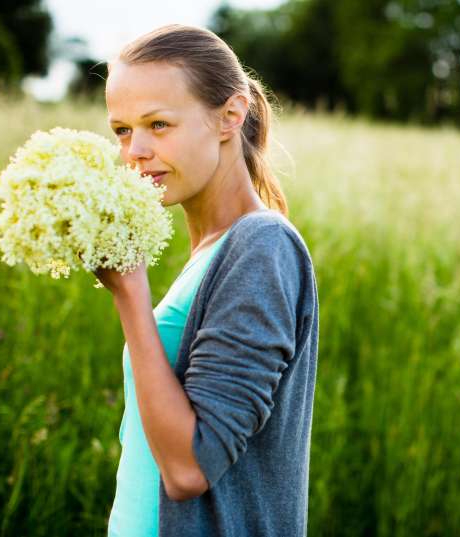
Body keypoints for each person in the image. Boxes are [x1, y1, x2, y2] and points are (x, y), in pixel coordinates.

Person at [94, 24, 319, 537]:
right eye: (123, 130)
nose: (135, 151)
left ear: (230, 116)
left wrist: (130, 293)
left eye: (159, 124)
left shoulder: (262, 247)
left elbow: (188, 469)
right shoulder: (211, 250)